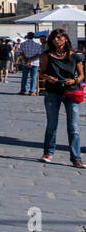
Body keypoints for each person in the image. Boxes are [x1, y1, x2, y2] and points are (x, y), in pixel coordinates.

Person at [38, 28, 84, 168]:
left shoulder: (75, 56)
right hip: (53, 92)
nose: (56, 40)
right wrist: (48, 78)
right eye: (54, 38)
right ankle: (48, 152)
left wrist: (74, 81)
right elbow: (42, 72)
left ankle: (76, 157)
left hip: (71, 92)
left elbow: (82, 75)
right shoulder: (47, 55)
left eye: (59, 37)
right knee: (52, 124)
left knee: (74, 127)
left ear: (65, 39)